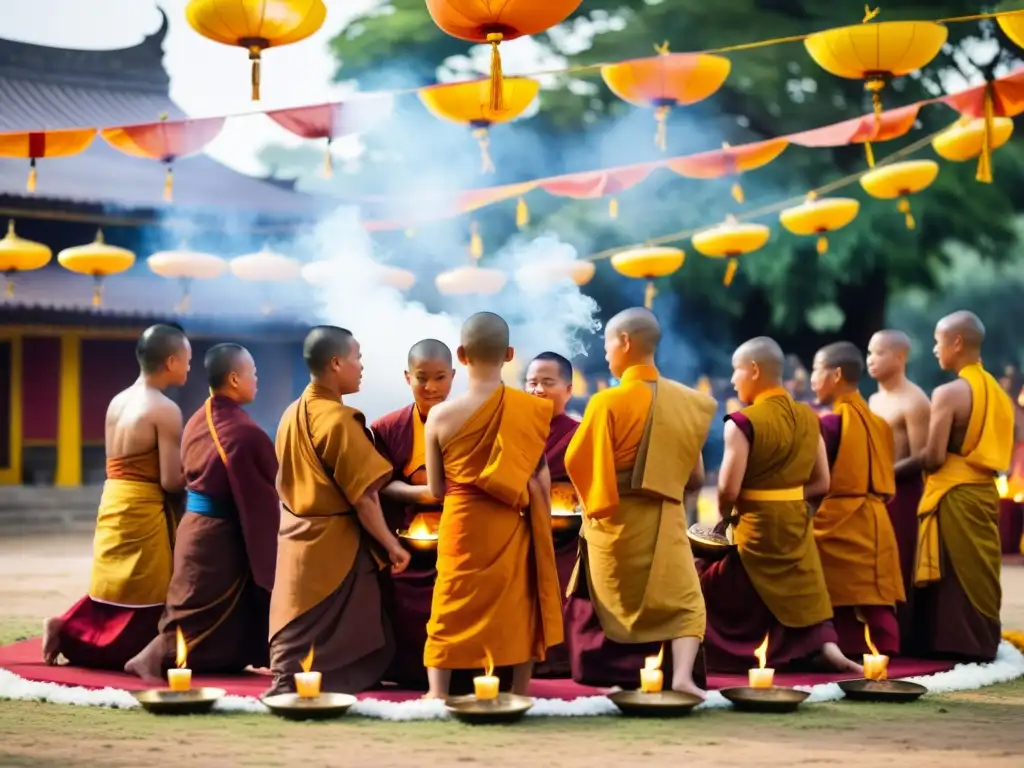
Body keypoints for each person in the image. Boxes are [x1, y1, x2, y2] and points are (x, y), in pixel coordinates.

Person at [564, 308, 715, 698]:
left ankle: (614, 676)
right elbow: (696, 478)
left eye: (608, 344)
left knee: (611, 599)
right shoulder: (688, 403)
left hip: (616, 519)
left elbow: (579, 464)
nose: (607, 353)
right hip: (666, 516)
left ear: (625, 342)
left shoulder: (605, 402)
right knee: (684, 601)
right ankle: (681, 677)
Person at [699, 336, 861, 675]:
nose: (732, 380)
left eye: (736, 371)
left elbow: (728, 488)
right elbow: (823, 483)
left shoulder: (743, 422)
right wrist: (789, 501)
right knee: (803, 585)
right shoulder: (809, 417)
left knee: (710, 580)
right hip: (794, 522)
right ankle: (825, 649)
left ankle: (739, 655)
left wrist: (723, 522)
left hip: (755, 528)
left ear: (754, 370)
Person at [422, 312, 563, 699]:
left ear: (461, 355)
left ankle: (438, 691)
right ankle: (519, 688)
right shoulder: (530, 410)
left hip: (462, 523)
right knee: (518, 602)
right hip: (510, 521)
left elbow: (436, 488)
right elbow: (540, 479)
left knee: (451, 599)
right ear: (510, 354)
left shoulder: (439, 415)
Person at [267, 325, 411, 695]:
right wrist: (392, 546)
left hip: (296, 533)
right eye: (357, 358)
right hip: (335, 541)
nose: (361, 366)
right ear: (335, 363)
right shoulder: (339, 421)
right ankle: (297, 682)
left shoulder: (291, 412)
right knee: (326, 619)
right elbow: (364, 496)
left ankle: (290, 677)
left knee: (299, 614)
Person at [125, 344, 279, 681]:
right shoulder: (244, 434)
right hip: (216, 536)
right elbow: (260, 501)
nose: (257, 380)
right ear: (235, 379)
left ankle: (220, 659)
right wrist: (273, 547)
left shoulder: (199, 417)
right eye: (253, 373)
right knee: (193, 608)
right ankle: (150, 657)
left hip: (196, 527)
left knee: (206, 605)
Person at [42, 324, 190, 668]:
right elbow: (170, 480)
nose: (189, 367)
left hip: (114, 497)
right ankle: (138, 653)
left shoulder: (117, 401)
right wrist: (204, 470)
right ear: (171, 361)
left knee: (114, 583)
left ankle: (67, 626)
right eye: (187, 360)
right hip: (143, 503)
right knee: (146, 587)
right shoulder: (164, 409)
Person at [915, 311, 1013, 662]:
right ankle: (982, 640)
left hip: (953, 494)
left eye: (938, 342)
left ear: (957, 342)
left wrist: (898, 465)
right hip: (984, 493)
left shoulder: (948, 393)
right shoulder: (1000, 396)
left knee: (954, 574)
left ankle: (955, 643)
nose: (934, 349)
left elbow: (934, 457)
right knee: (981, 570)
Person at [810, 341, 904, 657]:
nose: (811, 378)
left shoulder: (830, 423)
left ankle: (849, 657)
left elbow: (815, 477)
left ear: (836, 374)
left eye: (816, 370)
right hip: (877, 518)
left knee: (836, 599)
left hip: (839, 520)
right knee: (876, 601)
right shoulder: (880, 424)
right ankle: (885, 659)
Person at [371, 339, 454, 689]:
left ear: (453, 376)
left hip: (458, 530)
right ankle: (405, 671)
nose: (431, 387)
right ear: (408, 378)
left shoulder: (471, 421)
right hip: (409, 533)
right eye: (422, 378)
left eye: (439, 377)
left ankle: (460, 675)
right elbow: (377, 484)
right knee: (402, 604)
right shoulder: (387, 428)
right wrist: (425, 493)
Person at [866, 329, 931, 650]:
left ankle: (902, 637)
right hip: (873, 494)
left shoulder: (916, 400)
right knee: (871, 563)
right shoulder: (874, 399)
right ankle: (876, 634)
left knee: (901, 563)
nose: (870, 360)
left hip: (902, 495)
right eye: (868, 353)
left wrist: (884, 474)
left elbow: (923, 455)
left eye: (878, 353)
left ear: (900, 357)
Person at [524, 351, 580, 678]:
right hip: (524, 528)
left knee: (564, 593)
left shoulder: (579, 432)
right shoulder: (516, 428)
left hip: (569, 532)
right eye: (532, 382)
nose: (538, 390)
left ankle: (562, 659)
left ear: (568, 389)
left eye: (548, 382)